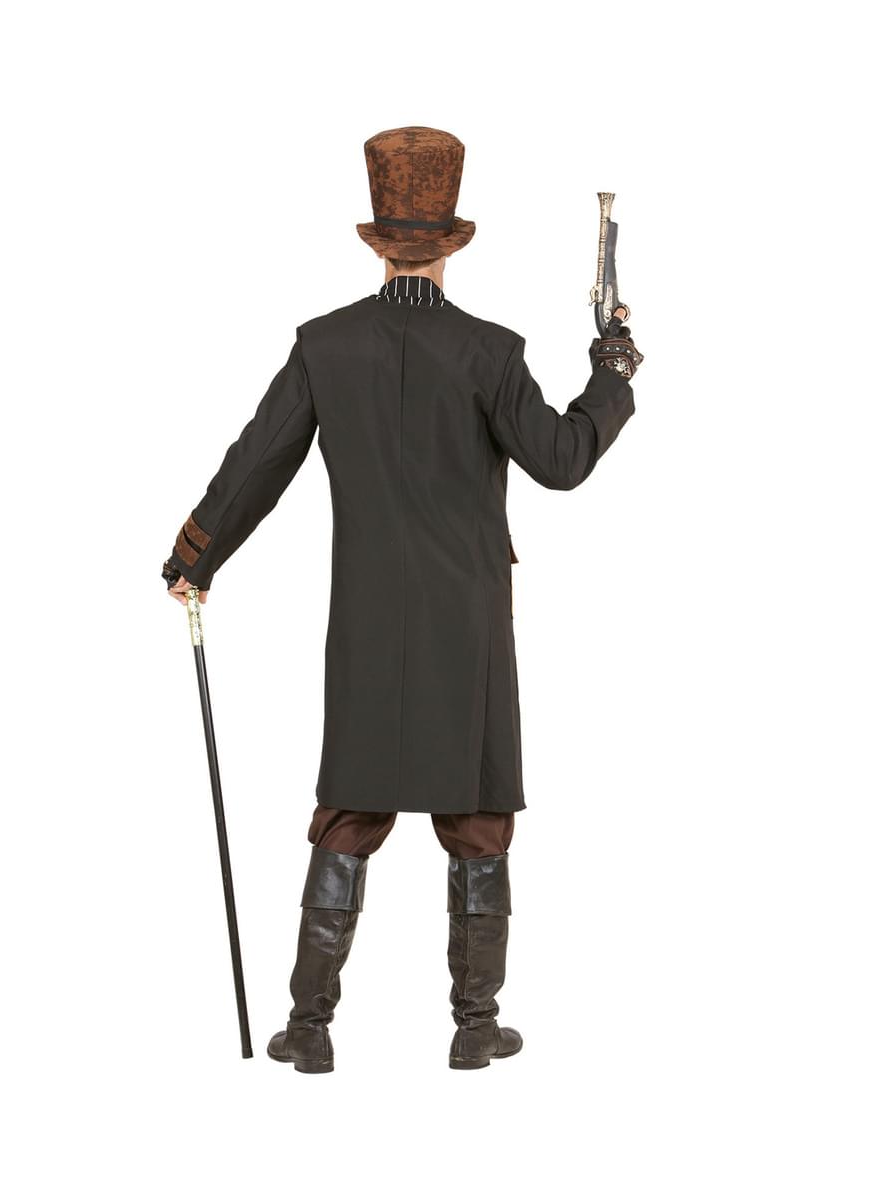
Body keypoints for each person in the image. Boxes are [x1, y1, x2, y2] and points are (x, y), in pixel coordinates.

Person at [161, 125, 642, 1073]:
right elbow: (561, 460)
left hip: (367, 622)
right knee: (476, 819)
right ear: (448, 246)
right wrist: (611, 375)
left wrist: (196, 555)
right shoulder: (490, 351)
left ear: (379, 245)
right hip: (468, 624)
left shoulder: (324, 345)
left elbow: (257, 462)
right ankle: (475, 1026)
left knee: (349, 810)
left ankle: (309, 1029)